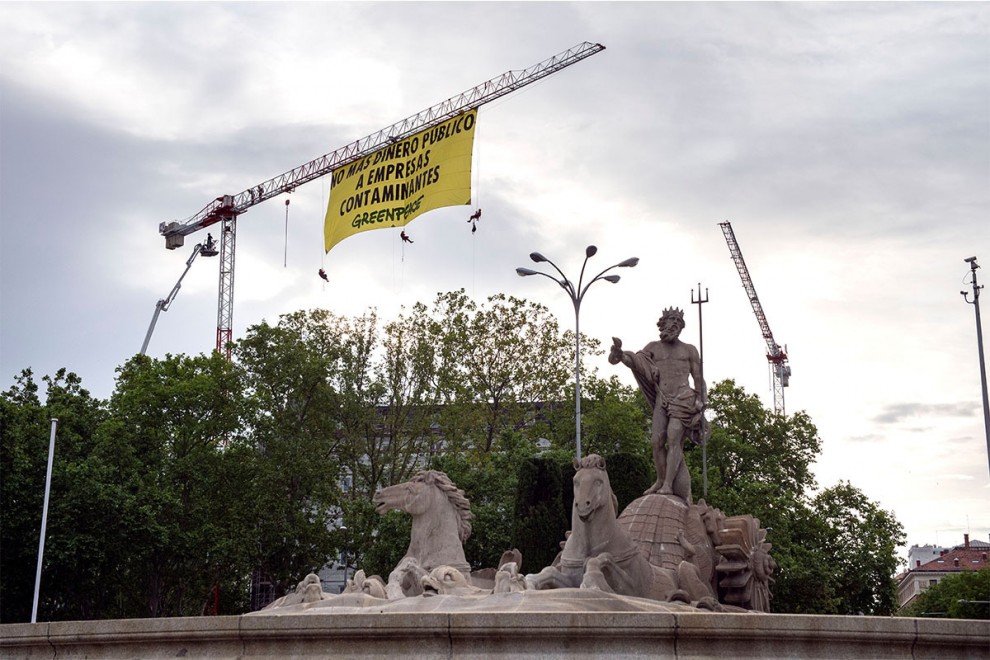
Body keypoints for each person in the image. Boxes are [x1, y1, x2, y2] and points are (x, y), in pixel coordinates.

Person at [609, 307, 707, 501]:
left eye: (677, 324)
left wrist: (701, 400)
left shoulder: (689, 349)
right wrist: (620, 354)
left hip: (683, 400)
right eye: (670, 322)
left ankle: (669, 484)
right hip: (662, 400)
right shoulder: (653, 347)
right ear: (662, 324)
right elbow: (636, 361)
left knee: (673, 439)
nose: (674, 326)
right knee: (655, 442)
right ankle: (660, 479)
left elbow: (698, 378)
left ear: (681, 327)